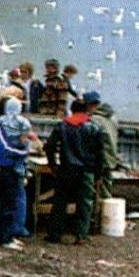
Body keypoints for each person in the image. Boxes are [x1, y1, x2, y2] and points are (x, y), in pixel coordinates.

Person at [44, 98, 103, 244]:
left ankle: (55, 234)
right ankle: (81, 235)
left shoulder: (62, 125)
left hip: (66, 169)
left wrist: (52, 164)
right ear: (87, 110)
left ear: (72, 109)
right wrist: (98, 173)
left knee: (60, 202)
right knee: (84, 203)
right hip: (86, 170)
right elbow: (100, 153)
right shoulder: (93, 127)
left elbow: (49, 146)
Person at [0, 97, 34, 249]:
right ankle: (8, 237)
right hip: (14, 167)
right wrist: (24, 152)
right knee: (12, 203)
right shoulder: (23, 123)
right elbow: (24, 144)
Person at [84, 91, 122, 231]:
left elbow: (91, 142)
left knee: (97, 191)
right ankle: (105, 221)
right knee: (107, 188)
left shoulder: (95, 120)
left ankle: (101, 222)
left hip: (101, 159)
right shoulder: (112, 117)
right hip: (111, 157)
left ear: (89, 105)